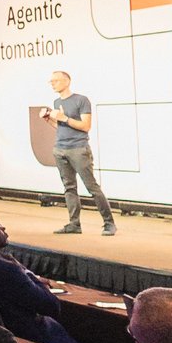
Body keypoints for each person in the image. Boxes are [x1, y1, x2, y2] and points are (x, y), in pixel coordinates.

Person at [0, 211, 115, 343]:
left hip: (3, 340)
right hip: (40, 341)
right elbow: (52, 306)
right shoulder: (8, 269)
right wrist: (27, 273)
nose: (3, 228)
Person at [43, 70, 114, 236]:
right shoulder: (57, 102)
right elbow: (62, 127)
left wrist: (64, 118)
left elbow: (85, 126)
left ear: (67, 81)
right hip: (60, 149)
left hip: (78, 149)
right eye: (51, 81)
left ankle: (109, 223)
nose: (52, 84)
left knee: (92, 187)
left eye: (55, 80)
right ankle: (74, 224)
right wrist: (50, 120)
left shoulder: (81, 100)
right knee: (69, 188)